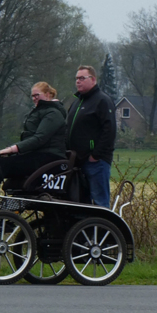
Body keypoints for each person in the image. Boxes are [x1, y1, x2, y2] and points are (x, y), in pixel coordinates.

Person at [0, 82, 67, 192]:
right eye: (32, 96)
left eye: (37, 95)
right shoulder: (41, 111)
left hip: (48, 157)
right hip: (36, 155)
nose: (34, 98)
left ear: (47, 94)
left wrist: (13, 149)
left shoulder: (54, 113)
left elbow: (39, 139)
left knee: (1, 165)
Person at [65, 65, 116, 207]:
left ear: (93, 80)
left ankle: (102, 228)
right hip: (77, 162)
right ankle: (85, 229)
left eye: (82, 78)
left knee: (100, 203)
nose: (78, 81)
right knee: (81, 203)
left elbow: (109, 130)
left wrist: (96, 155)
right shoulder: (76, 102)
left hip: (95, 163)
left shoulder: (102, 101)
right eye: (76, 78)